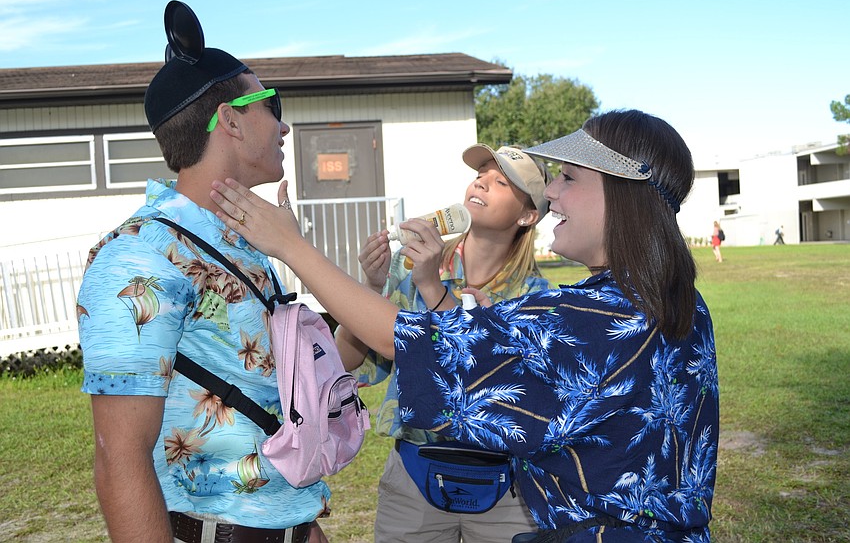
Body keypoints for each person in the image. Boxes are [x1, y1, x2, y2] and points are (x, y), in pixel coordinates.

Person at [210, 109, 719, 542]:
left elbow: (416, 343)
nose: (554, 198)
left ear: (623, 193)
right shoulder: (675, 303)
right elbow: (489, 352)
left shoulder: (594, 318)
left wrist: (293, 248)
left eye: (569, 178)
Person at [77, 2, 329, 543]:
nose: (283, 125)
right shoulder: (139, 256)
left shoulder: (245, 244)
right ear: (231, 121)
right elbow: (118, 457)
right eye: (271, 103)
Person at [335, 144, 552, 542]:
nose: (481, 184)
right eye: (480, 176)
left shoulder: (537, 296)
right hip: (413, 480)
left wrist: (432, 286)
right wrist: (370, 287)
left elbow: (483, 381)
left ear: (527, 215)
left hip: (509, 489)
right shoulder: (411, 263)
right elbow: (347, 360)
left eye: (500, 182)